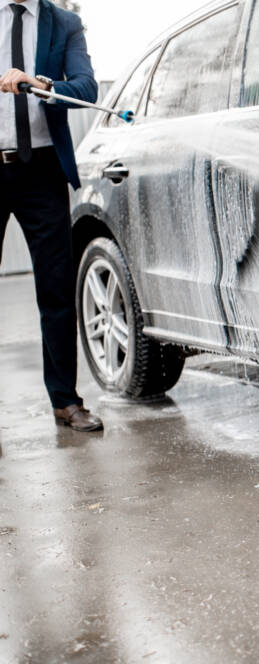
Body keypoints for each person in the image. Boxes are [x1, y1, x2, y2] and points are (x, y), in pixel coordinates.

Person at [0, 0, 102, 432]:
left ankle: (65, 402)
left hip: (41, 170)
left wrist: (38, 83)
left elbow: (85, 89)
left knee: (56, 290)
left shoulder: (65, 23)